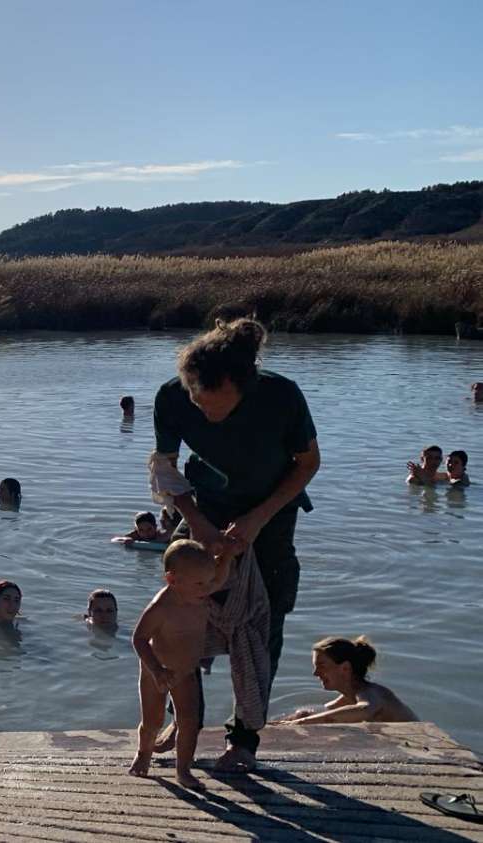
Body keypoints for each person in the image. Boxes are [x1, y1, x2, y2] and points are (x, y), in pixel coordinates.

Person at [151, 317, 319, 771]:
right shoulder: (170, 397)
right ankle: (184, 717)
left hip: (273, 513)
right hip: (203, 508)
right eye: (197, 402)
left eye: (215, 405)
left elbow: (307, 463)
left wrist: (258, 518)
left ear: (240, 384)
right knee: (180, 610)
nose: (204, 413)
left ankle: (244, 737)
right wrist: (198, 524)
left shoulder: (281, 395)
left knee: (265, 621)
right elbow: (166, 469)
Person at [128, 540, 232, 791]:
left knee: (190, 721)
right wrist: (156, 670)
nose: (208, 588)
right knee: (153, 720)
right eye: (200, 583)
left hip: (186, 671)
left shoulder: (200, 594)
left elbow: (218, 577)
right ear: (172, 580)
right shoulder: (162, 607)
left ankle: (183, 769)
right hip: (157, 671)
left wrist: (228, 553)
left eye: (208, 582)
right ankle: (144, 753)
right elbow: (139, 639)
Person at [272, 636, 416, 724]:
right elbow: (323, 713)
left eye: (321, 666)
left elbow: (364, 710)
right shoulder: (349, 697)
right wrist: (284, 723)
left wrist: (302, 723)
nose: (315, 673)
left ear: (345, 668)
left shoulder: (372, 693)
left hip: (423, 749)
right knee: (303, 714)